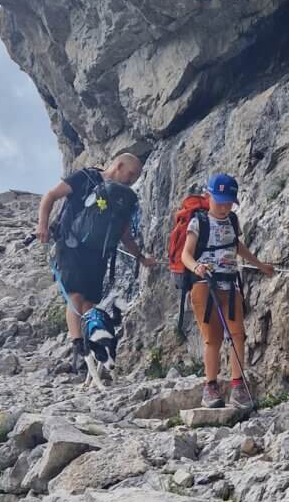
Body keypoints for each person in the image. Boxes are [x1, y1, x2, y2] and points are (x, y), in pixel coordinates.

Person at [36, 152, 156, 371]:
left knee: (90, 302)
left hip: (99, 255)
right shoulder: (86, 177)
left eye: (136, 177)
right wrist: (42, 225)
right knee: (75, 296)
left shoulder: (124, 199)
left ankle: (89, 349)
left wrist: (140, 257)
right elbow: (51, 195)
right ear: (119, 165)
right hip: (71, 245)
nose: (132, 180)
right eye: (131, 174)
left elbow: (125, 235)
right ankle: (77, 348)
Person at [181, 171, 274, 409]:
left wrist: (260, 265)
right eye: (220, 203)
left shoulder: (232, 220)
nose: (224, 208)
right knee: (212, 339)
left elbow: (237, 246)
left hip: (231, 286)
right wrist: (196, 267)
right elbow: (185, 255)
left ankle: (237, 386)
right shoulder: (198, 222)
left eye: (229, 203)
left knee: (238, 335)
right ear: (208, 196)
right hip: (205, 287)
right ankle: (210, 387)